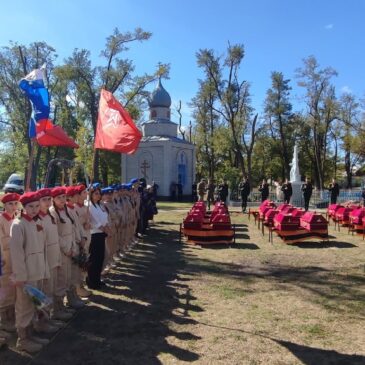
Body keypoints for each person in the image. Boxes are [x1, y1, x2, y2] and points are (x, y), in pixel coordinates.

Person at [10, 191, 50, 353]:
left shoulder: (36, 221)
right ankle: (23, 340)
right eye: (30, 207)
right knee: (24, 307)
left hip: (37, 269)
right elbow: (17, 253)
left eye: (36, 206)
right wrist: (20, 276)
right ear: (23, 207)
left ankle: (32, 333)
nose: (34, 209)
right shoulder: (18, 224)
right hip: (26, 273)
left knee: (34, 304)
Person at [0, 193, 20, 345]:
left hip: (16, 260)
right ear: (4, 205)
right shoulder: (1, 220)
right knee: (5, 290)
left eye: (15, 203)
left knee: (14, 289)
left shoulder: (17, 219)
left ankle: (13, 316)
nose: (13, 207)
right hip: (6, 261)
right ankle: (5, 320)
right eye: (10, 204)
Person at [86, 185, 109, 290]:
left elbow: (105, 216)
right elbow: (94, 220)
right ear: (91, 194)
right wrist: (103, 227)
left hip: (101, 233)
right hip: (95, 234)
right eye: (96, 193)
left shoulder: (99, 205)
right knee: (94, 259)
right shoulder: (89, 205)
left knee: (100, 258)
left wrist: (106, 226)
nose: (99, 195)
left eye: (100, 193)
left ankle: (97, 279)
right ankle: (92, 281)